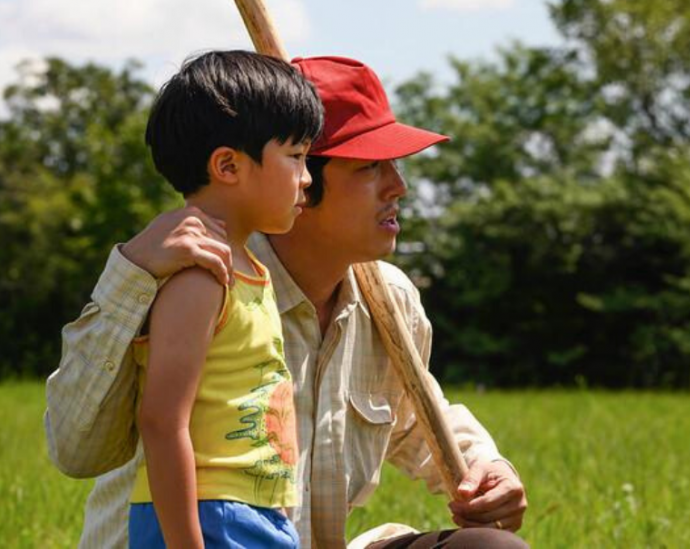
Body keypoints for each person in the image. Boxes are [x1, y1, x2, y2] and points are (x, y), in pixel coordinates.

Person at [45, 55, 529, 549]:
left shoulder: (391, 300)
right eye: (369, 167)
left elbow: (417, 417)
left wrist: (486, 467)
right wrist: (129, 274)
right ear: (305, 180)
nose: (399, 187)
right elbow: (76, 450)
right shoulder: (195, 274)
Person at [127, 50, 322, 547]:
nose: (307, 178)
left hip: (251, 513)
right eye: (297, 156)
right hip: (210, 516)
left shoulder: (249, 270)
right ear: (229, 165)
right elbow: (161, 420)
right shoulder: (200, 278)